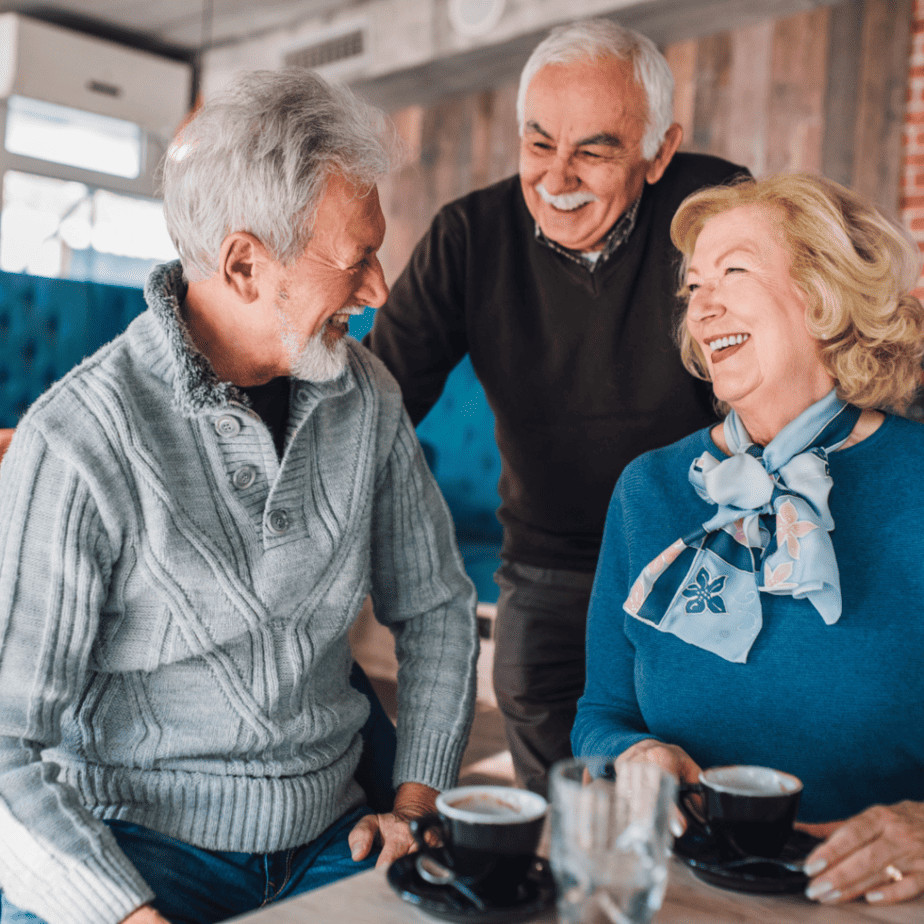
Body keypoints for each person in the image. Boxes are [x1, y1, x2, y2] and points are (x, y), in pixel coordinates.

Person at [0, 69, 479, 924]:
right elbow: (6, 748)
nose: (377, 291)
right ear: (245, 264)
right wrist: (127, 915)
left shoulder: (365, 397)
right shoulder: (78, 441)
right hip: (136, 853)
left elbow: (440, 608)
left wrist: (416, 806)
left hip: (340, 837)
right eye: (355, 260)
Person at [365, 17, 747, 795]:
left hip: (699, 551)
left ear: (658, 152)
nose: (557, 176)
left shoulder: (719, 214)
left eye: (595, 149)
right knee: (559, 800)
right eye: (538, 143)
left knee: (690, 785)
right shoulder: (468, 237)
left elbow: (768, 383)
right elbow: (376, 401)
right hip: (545, 562)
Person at [573, 173, 924, 905]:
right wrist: (635, 756)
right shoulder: (651, 489)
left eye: (733, 271)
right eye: (693, 286)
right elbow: (600, 715)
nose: (701, 304)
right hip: (685, 894)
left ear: (825, 297)